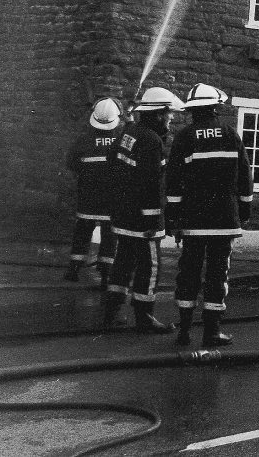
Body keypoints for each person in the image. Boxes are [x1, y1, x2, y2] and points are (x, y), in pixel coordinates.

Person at [166, 83, 253, 347]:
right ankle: (212, 331)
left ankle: (183, 331)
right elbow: (245, 178)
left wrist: (173, 217)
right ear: (216, 108)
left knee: (188, 271)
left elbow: (173, 181)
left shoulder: (185, 136)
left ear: (193, 111)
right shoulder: (231, 134)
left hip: (193, 220)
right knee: (217, 274)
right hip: (224, 220)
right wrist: (244, 210)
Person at [103, 86, 184, 333]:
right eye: (169, 114)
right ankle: (144, 316)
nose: (171, 119)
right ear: (158, 114)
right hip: (143, 219)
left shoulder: (129, 132)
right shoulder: (151, 141)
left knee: (123, 262)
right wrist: (153, 220)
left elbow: (112, 166)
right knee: (150, 267)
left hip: (124, 214)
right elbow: (152, 184)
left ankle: (112, 311)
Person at [62, 97, 124, 288]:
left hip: (88, 194)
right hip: (112, 197)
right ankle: (106, 274)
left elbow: (71, 163)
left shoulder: (84, 140)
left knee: (82, 230)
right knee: (109, 234)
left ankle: (74, 268)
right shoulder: (121, 140)